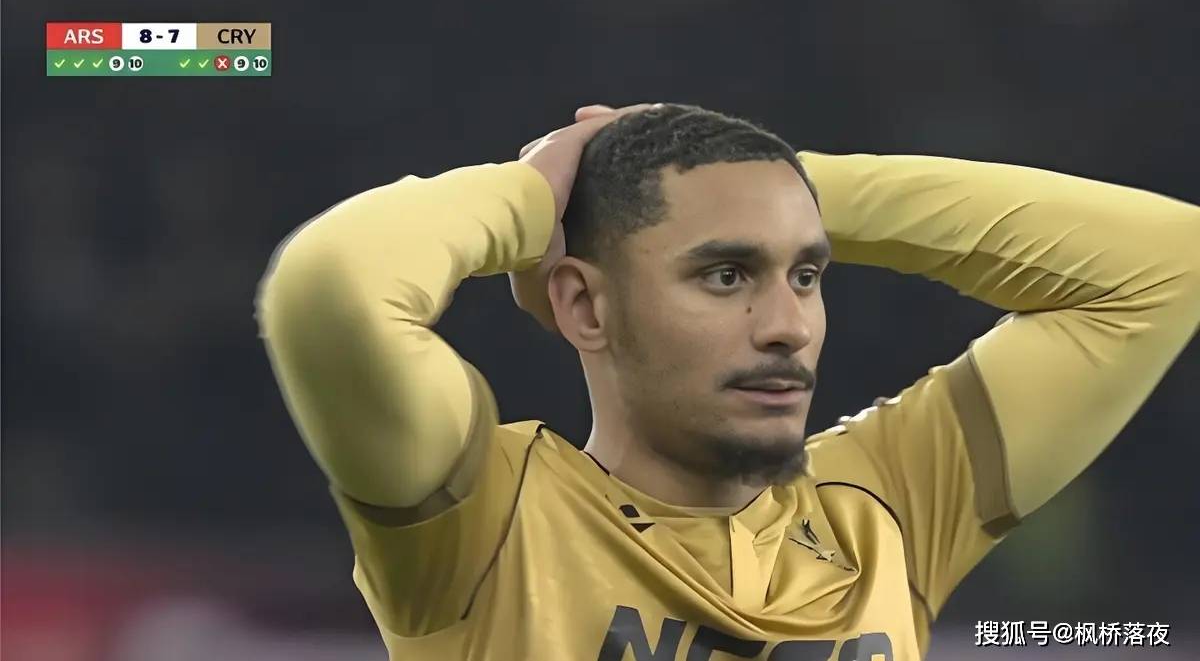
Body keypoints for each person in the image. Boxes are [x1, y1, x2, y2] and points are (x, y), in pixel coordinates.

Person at [255, 103, 1200, 660]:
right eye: (724, 274)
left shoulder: (888, 508)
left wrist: (760, 182)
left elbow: (1167, 264)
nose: (789, 325)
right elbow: (334, 287)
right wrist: (535, 194)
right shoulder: (490, 521)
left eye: (807, 273)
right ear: (585, 306)